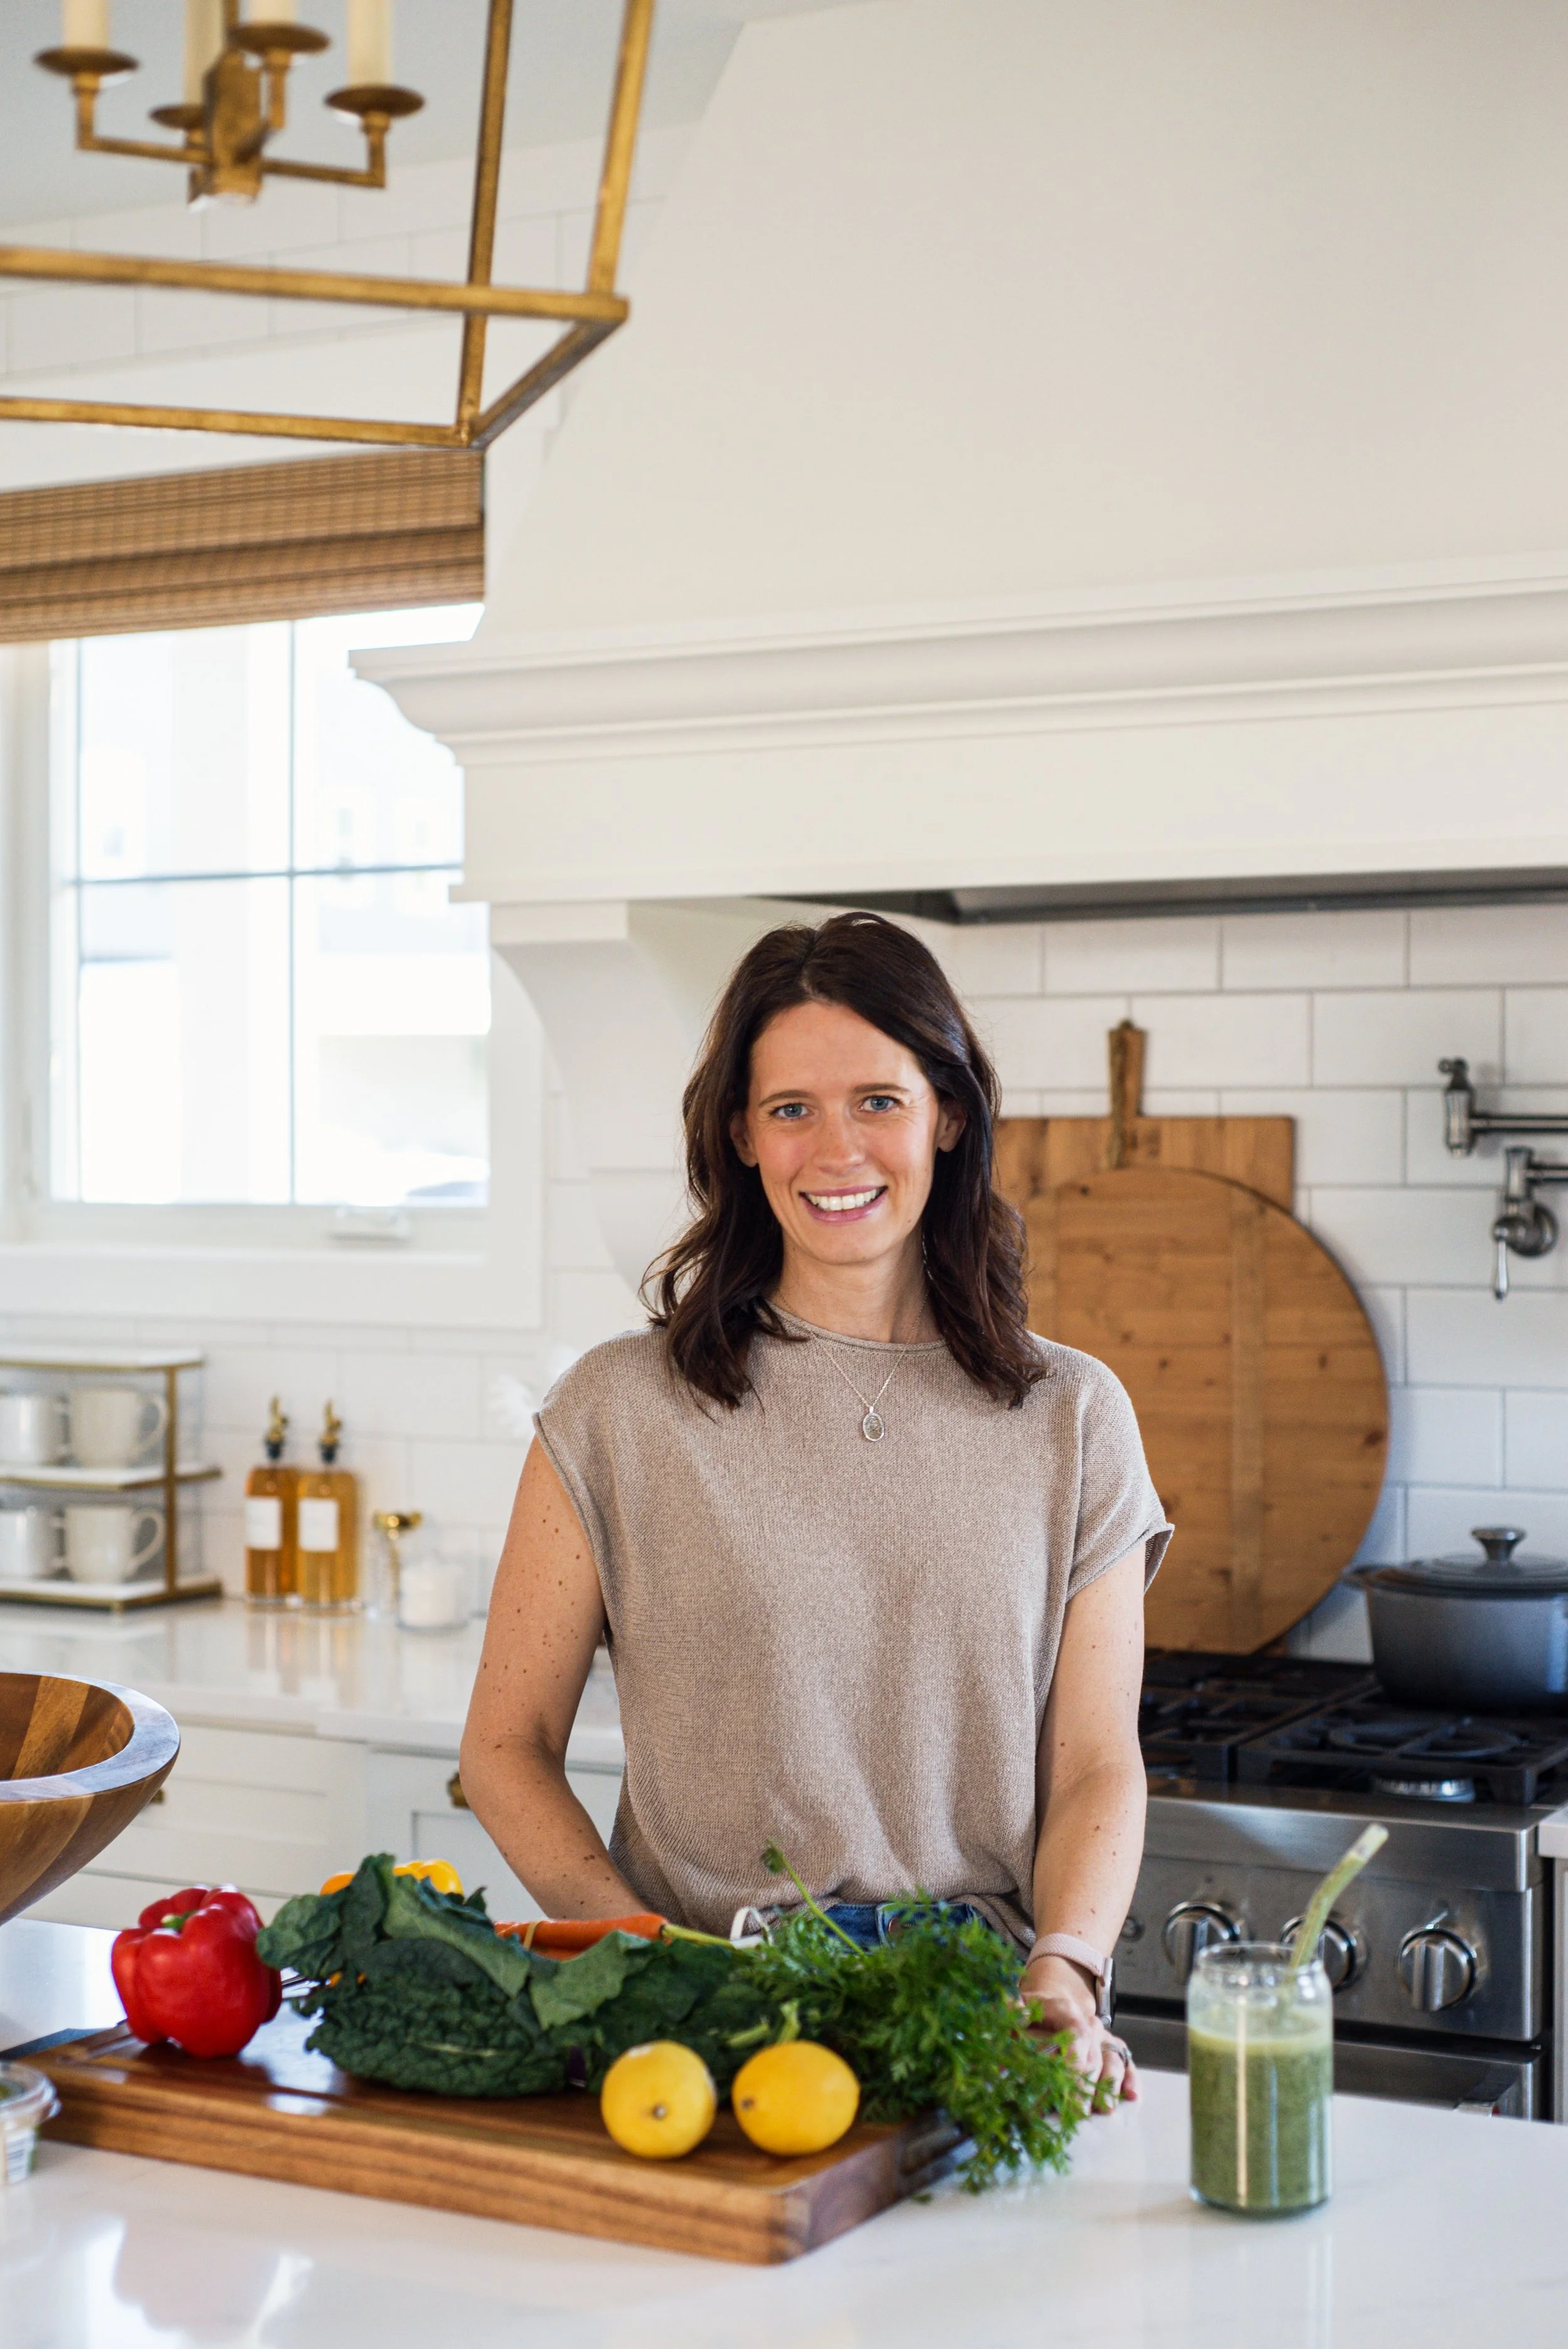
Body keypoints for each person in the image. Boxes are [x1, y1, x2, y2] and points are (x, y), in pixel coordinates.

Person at [461, 911, 1172, 2104]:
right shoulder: (618, 1410)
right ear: (741, 1134)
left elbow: (1099, 1761)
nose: (836, 1149)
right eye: (791, 1108)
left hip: (979, 2014)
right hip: (705, 2020)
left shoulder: (1075, 1416)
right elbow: (503, 1750)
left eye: (878, 1102)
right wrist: (642, 1956)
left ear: (948, 1113)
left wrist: (1068, 1971)